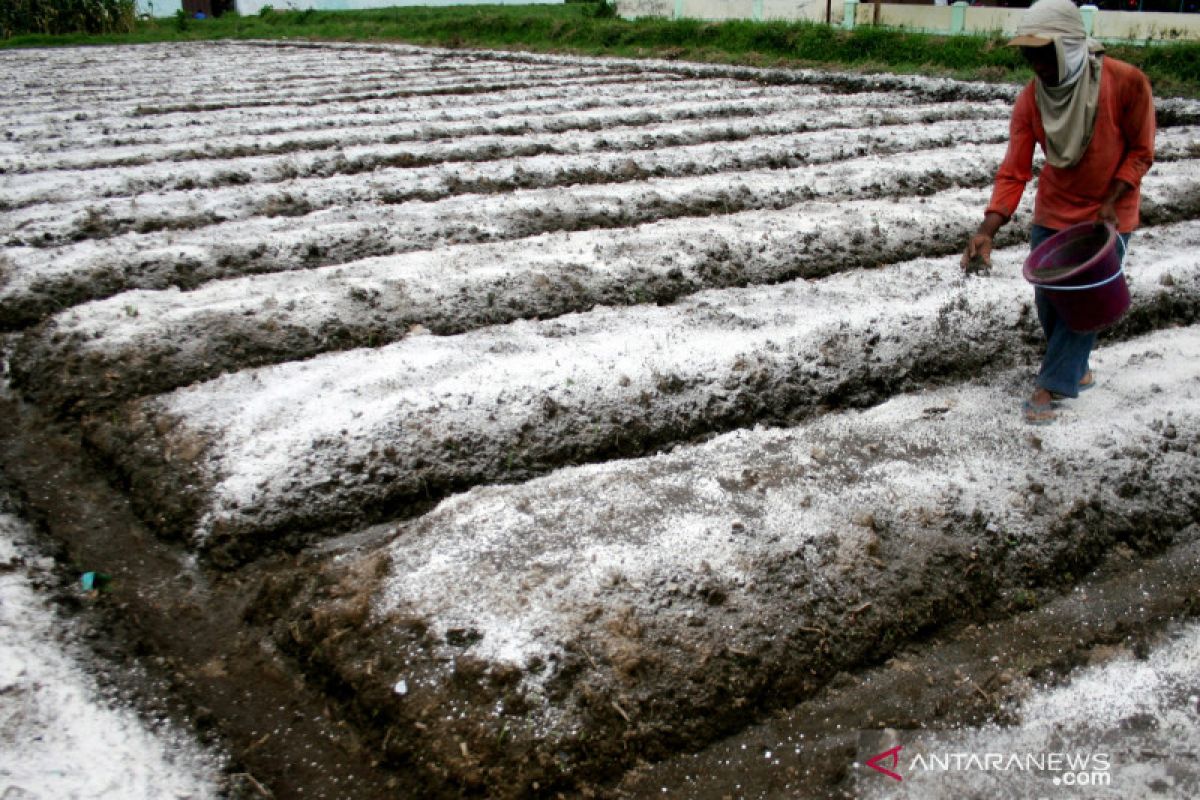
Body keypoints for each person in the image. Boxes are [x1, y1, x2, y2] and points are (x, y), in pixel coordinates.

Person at [961, 0, 1155, 424]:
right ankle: (1076, 368)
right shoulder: (1032, 100)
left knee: (1084, 298)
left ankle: (1051, 383)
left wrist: (1112, 199)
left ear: (1069, 46)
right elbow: (1014, 170)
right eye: (1028, 54)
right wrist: (987, 229)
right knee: (1049, 298)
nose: (1034, 63)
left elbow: (1141, 152)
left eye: (1042, 52)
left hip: (1108, 214)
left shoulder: (1125, 83)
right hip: (1055, 210)